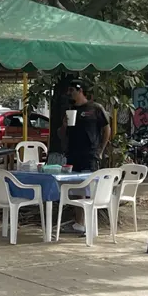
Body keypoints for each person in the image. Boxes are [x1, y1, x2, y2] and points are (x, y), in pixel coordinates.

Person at [59, 79, 111, 234]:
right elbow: (62, 135)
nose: (69, 94)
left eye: (71, 91)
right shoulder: (69, 110)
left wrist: (101, 149)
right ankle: (79, 223)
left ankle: (90, 223)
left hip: (90, 154)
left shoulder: (95, 108)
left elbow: (107, 129)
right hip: (73, 154)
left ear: (79, 90)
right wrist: (64, 126)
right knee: (75, 189)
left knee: (89, 188)